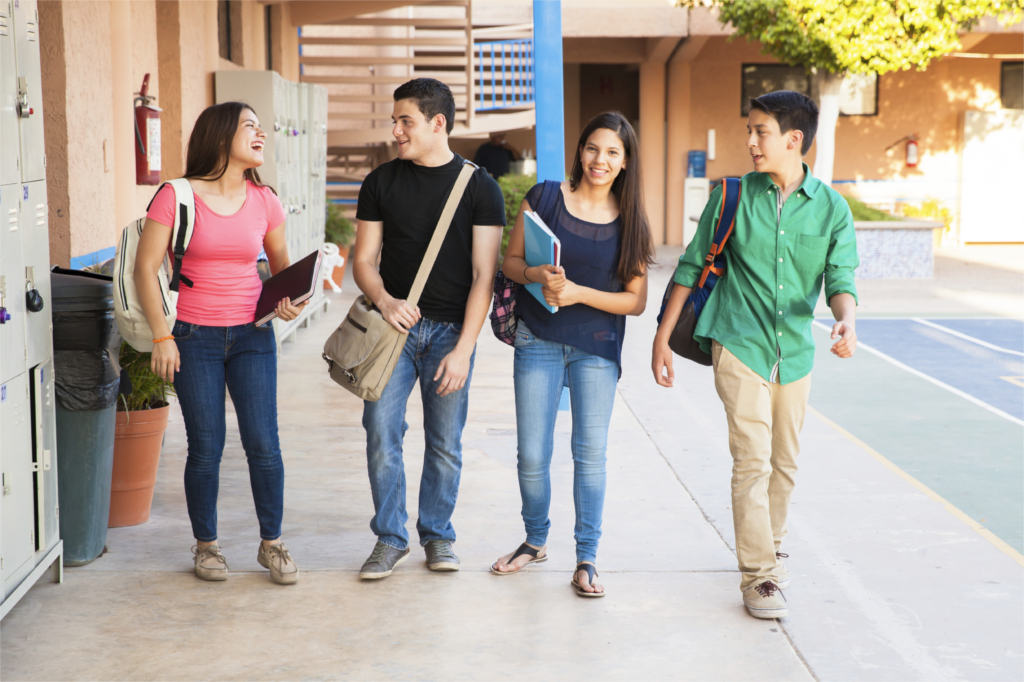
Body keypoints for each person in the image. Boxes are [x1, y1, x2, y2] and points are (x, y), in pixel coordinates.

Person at [652, 91, 859, 619]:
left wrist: (845, 318)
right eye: (749, 130)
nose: (750, 141)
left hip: (795, 351)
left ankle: (771, 540)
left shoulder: (832, 207)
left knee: (784, 462)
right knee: (753, 459)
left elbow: (840, 276)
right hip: (737, 340)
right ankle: (760, 575)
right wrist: (662, 337)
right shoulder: (732, 197)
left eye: (760, 131)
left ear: (793, 139)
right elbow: (691, 266)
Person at [135, 101, 306, 585]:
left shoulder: (266, 200)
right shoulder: (175, 195)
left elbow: (283, 274)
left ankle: (271, 543)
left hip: (253, 335)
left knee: (264, 444)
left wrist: (289, 302)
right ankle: (207, 546)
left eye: (261, 127)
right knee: (206, 447)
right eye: (249, 126)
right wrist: (162, 336)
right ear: (220, 134)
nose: (261, 134)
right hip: (192, 335)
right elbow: (145, 268)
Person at [491, 112, 655, 597]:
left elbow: (636, 301)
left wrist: (580, 294)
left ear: (625, 163)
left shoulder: (631, 222)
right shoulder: (544, 198)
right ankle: (534, 541)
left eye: (612, 153)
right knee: (531, 455)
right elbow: (511, 263)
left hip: (596, 348)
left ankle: (587, 558)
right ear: (580, 150)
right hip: (537, 339)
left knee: (589, 455)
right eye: (592, 148)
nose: (599, 160)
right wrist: (538, 275)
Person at [352, 78, 505, 579]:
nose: (396, 130)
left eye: (405, 121)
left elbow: (485, 275)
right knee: (381, 431)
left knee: (444, 442)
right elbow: (364, 260)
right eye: (395, 121)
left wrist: (464, 348)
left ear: (437, 124)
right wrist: (385, 300)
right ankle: (390, 537)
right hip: (392, 332)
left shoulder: (480, 186)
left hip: (448, 335)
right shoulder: (380, 182)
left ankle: (437, 535)